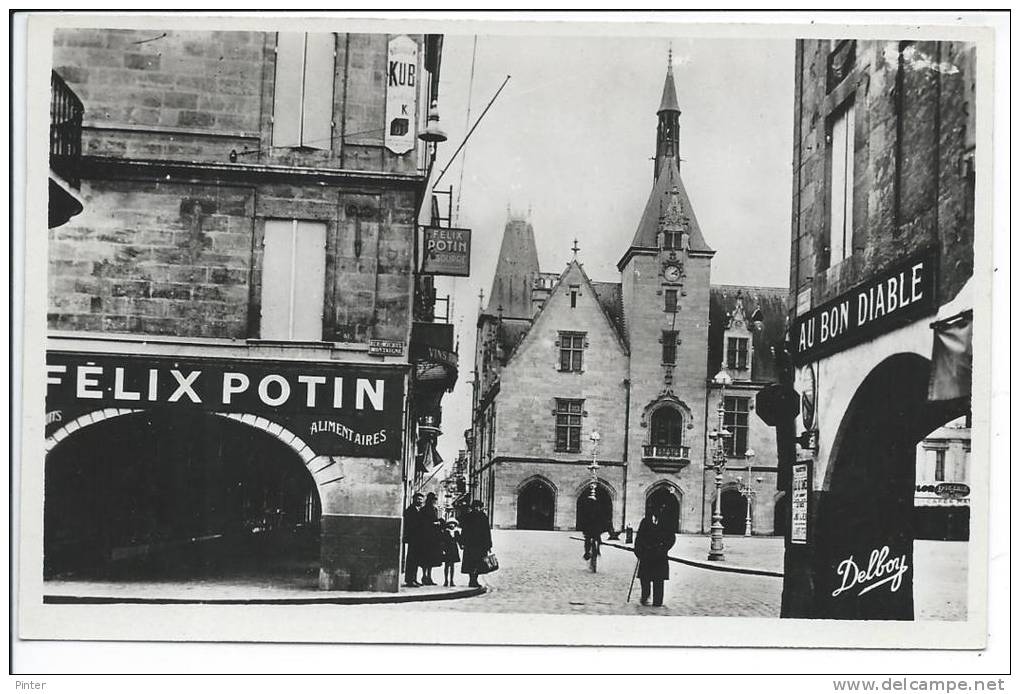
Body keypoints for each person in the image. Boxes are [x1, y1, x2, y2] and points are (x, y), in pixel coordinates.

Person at [633, 503, 676, 607]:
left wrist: (664, 548)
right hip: (646, 554)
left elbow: (672, 538)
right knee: (645, 579)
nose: (658, 511)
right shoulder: (645, 521)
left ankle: (658, 601)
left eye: (660, 509)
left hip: (659, 555)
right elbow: (639, 537)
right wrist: (639, 551)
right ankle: (645, 597)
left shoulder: (666, 522)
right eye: (655, 509)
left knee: (659, 580)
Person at [459, 499, 492, 588]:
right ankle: (471, 579)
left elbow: (487, 532)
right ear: (472, 508)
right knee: (470, 563)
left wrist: (488, 545)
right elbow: (464, 530)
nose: (476, 508)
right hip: (470, 544)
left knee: (479, 563)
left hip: (481, 545)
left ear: (481, 508)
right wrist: (462, 542)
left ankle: (475, 579)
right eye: (475, 507)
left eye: (478, 507)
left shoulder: (483, 517)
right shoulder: (468, 517)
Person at [419, 492, 445, 585]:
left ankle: (429, 577)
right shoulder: (424, 510)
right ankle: (424, 576)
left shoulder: (435, 509)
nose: (434, 501)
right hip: (426, 537)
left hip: (434, 538)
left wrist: (439, 523)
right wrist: (433, 524)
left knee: (431, 559)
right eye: (433, 499)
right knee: (425, 558)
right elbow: (422, 523)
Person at [578, 488, 610, 560]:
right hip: (595, 527)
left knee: (588, 539)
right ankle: (597, 550)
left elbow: (583, 517)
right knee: (596, 538)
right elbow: (603, 517)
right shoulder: (598, 507)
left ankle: (587, 552)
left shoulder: (587, 508)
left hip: (591, 527)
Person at [402, 492, 425, 587]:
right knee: (411, 559)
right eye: (418, 499)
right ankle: (409, 580)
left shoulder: (419, 510)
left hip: (418, 539)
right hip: (413, 538)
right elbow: (410, 526)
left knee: (416, 559)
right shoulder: (410, 511)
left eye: (421, 500)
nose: (420, 501)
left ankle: (414, 578)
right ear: (414, 499)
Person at [441, 519, 461, 587]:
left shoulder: (456, 532)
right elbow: (443, 541)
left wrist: (461, 545)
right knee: (447, 566)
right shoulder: (446, 532)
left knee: (452, 566)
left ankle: (452, 580)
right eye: (450, 524)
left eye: (453, 524)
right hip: (447, 550)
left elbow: (459, 540)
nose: (452, 525)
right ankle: (446, 580)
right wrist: (443, 549)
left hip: (454, 550)